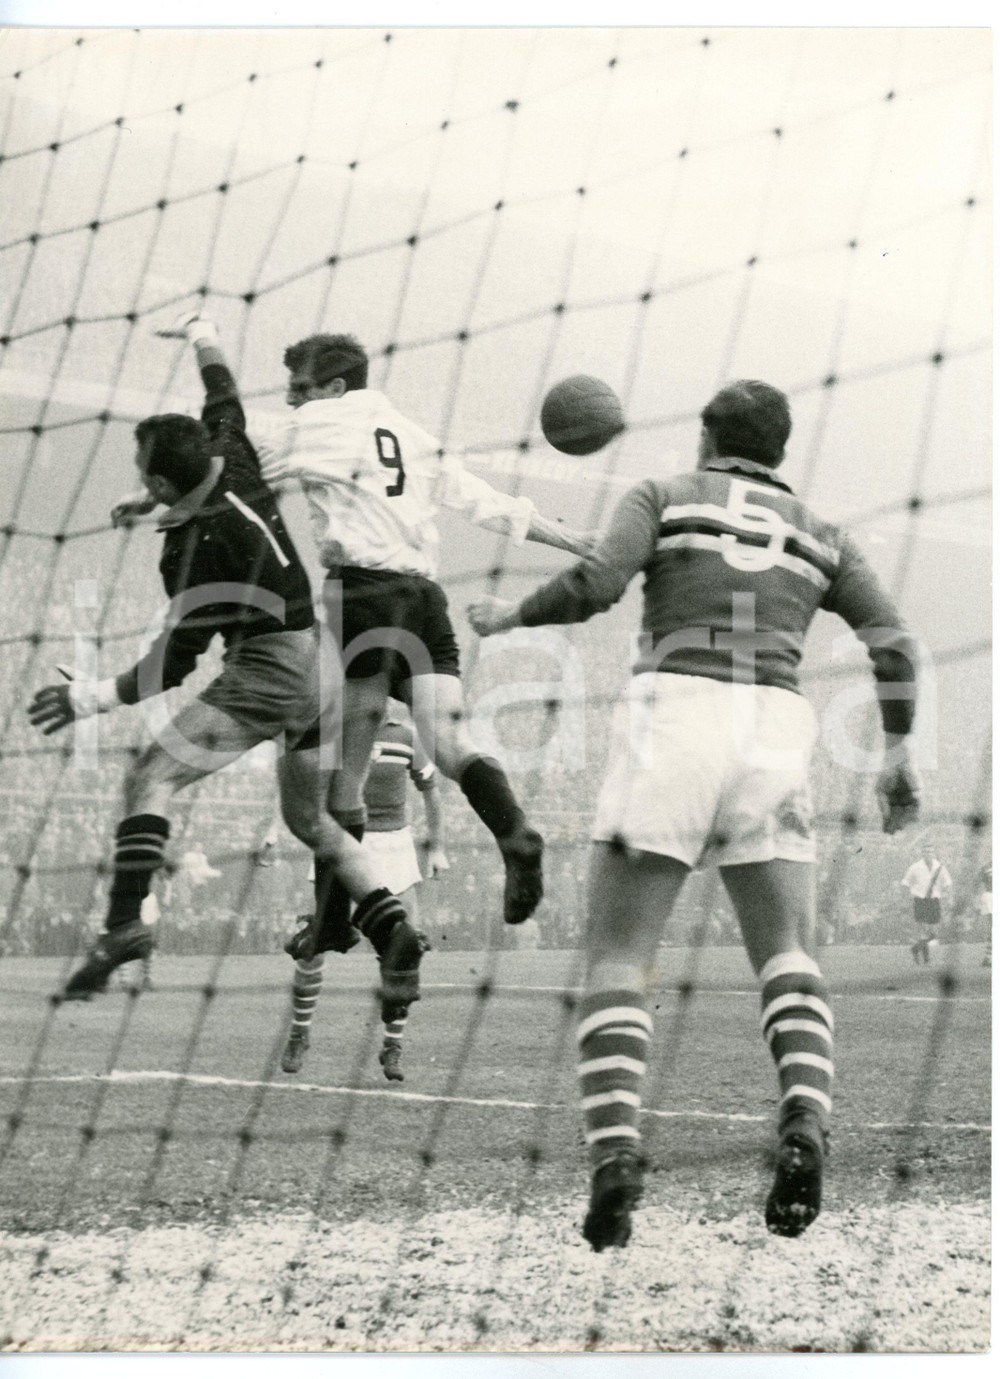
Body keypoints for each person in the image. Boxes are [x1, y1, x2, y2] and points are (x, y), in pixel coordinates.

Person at [468, 378, 922, 1250]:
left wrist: (507, 616)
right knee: (788, 949)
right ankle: (804, 1118)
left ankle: (615, 1154)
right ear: (781, 449)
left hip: (674, 713)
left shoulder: (666, 494)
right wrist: (896, 753)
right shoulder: (824, 533)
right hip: (776, 726)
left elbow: (598, 583)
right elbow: (892, 642)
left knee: (620, 953)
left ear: (708, 435)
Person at [29, 318, 419, 1005]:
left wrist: (89, 696)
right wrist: (202, 333)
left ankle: (123, 925)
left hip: (270, 672)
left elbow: (169, 666)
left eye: (144, 475)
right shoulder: (235, 457)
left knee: (149, 776)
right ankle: (393, 930)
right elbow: (222, 391)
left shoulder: (191, 555)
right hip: (323, 667)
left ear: (158, 477)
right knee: (314, 822)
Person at [282, 698, 449, 1079]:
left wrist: (437, 847)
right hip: (344, 843)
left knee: (405, 949)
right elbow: (306, 782)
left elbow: (432, 792)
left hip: (395, 847)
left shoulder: (406, 737)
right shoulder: (339, 731)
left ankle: (393, 1046)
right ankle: (299, 1033)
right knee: (313, 946)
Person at [900, 841, 952, 965]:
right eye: (926, 851)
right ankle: (927, 960)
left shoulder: (939, 867)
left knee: (934, 932)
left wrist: (949, 898)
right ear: (922, 853)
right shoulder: (915, 867)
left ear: (934, 853)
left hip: (934, 901)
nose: (929, 853)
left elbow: (948, 883)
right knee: (923, 931)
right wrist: (906, 899)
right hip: (920, 901)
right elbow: (905, 883)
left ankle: (915, 948)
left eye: (931, 851)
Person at [976, 863, 992, 968]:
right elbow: (978, 884)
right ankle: (988, 957)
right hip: (990, 896)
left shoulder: (986, 867)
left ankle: (988, 957)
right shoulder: (986, 867)